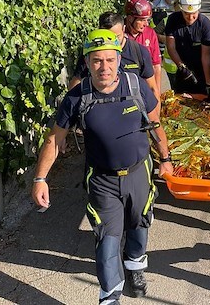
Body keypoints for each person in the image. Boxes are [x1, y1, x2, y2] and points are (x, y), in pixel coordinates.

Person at [32, 29, 173, 304]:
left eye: (110, 60)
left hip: (138, 174)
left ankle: (135, 267)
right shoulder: (77, 98)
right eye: (97, 61)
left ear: (118, 59)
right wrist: (40, 179)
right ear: (87, 62)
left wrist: (165, 160)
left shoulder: (136, 86)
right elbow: (54, 138)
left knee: (139, 225)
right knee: (107, 239)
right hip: (102, 180)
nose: (104, 67)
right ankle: (110, 297)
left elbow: (155, 125)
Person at [68, 12, 158, 102]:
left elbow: (153, 88)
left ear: (124, 29)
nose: (113, 42)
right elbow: (76, 84)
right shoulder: (92, 54)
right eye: (108, 37)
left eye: (117, 37)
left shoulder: (139, 52)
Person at [165, 0, 210, 97]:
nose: (190, 17)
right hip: (182, 68)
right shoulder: (173, 20)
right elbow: (171, 47)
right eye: (186, 13)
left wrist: (208, 83)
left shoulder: (205, 24)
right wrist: (182, 67)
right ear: (181, 9)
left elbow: (206, 56)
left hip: (201, 70)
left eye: (194, 14)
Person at [124, 0, 162, 95]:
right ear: (130, 18)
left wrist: (156, 92)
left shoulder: (150, 33)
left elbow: (156, 66)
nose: (146, 24)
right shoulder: (120, 34)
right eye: (141, 20)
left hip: (146, 88)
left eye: (147, 20)